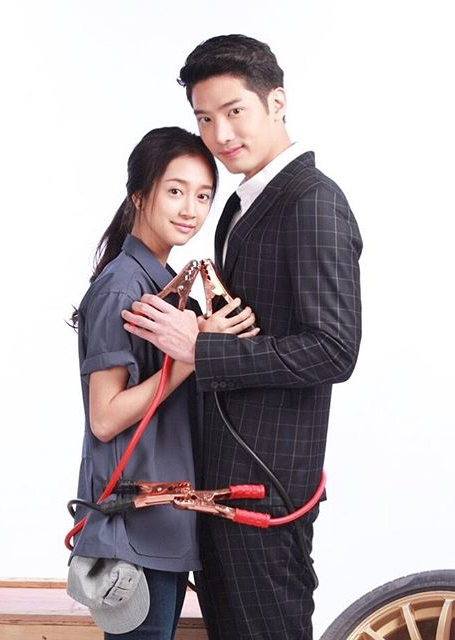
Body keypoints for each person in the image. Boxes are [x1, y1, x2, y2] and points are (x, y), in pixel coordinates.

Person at [121, 35, 363, 640]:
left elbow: (334, 349)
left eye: (234, 111)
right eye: (204, 118)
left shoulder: (312, 202)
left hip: (267, 490)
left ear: (276, 102)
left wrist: (200, 349)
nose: (220, 134)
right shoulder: (239, 205)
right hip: (222, 485)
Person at [68, 126, 258, 640]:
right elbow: (105, 417)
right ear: (139, 194)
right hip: (133, 531)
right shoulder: (122, 287)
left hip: (163, 528)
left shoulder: (164, 285)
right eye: (175, 191)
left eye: (203, 196)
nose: (190, 209)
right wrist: (193, 357)